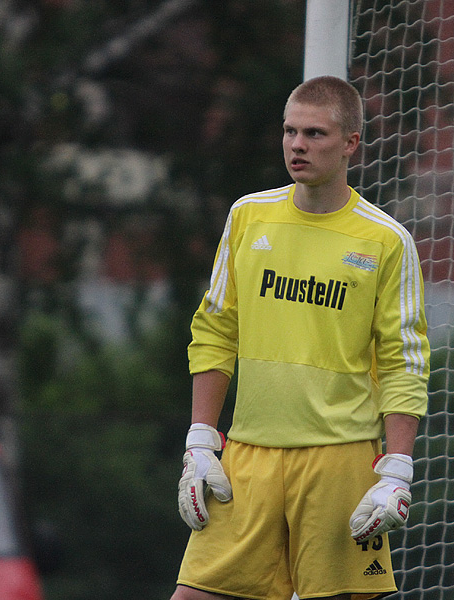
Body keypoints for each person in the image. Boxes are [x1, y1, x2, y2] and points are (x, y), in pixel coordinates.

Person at [172, 75, 430, 600]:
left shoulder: (387, 241)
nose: (297, 145)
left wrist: (397, 470)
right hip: (247, 459)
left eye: (314, 133)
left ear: (351, 142)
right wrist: (201, 440)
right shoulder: (248, 216)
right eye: (290, 131)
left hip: (339, 462)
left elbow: (404, 360)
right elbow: (216, 328)